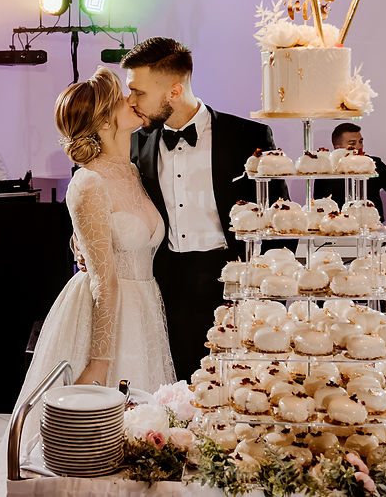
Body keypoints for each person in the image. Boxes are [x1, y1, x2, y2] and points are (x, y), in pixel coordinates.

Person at [11, 66, 174, 445]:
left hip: (145, 308)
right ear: (103, 119)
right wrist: (99, 361)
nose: (132, 100)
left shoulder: (133, 172)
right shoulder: (88, 182)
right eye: (123, 97)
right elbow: (104, 278)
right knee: (96, 436)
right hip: (107, 312)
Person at [121, 37, 288, 379]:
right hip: (165, 284)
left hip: (232, 280)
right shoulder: (134, 144)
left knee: (239, 384)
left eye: (138, 92)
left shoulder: (247, 136)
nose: (131, 101)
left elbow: (280, 219)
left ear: (174, 91)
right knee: (177, 383)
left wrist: (260, 290)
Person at [313, 122, 386, 232]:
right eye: (352, 143)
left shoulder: (374, 165)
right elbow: (319, 209)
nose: (359, 146)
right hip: (336, 237)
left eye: (360, 141)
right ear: (337, 148)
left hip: (369, 236)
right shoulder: (326, 171)